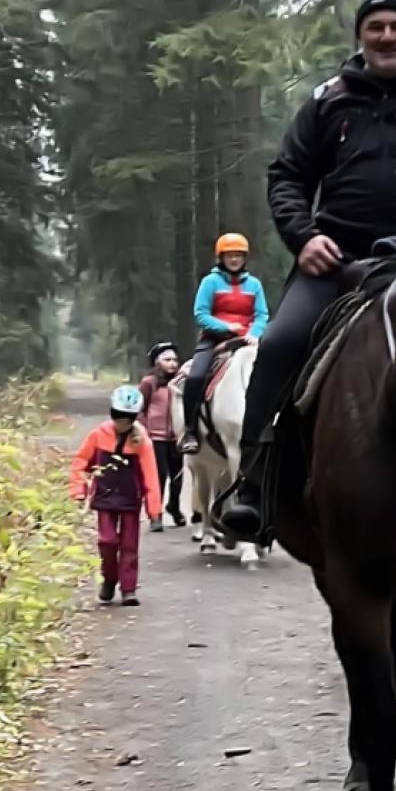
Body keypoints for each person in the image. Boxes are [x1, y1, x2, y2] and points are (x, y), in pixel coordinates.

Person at [216, 0, 396, 538]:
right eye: (376, 27)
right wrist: (305, 237)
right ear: (361, 37)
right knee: (279, 344)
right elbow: (287, 176)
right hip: (334, 263)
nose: (387, 36)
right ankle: (254, 483)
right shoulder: (328, 101)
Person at [71, 385, 166, 607]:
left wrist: (154, 509)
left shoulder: (141, 441)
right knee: (107, 541)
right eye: (118, 415)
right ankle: (109, 578)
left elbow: (151, 475)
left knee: (129, 545)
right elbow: (80, 462)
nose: (121, 421)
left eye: (127, 417)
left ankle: (128, 589)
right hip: (105, 497)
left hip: (130, 499)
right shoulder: (98, 434)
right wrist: (78, 490)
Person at [179, 234, 270, 455]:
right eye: (230, 255)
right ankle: (190, 430)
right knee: (196, 376)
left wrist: (254, 333)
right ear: (221, 257)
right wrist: (227, 327)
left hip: (248, 340)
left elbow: (261, 314)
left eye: (238, 255)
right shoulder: (210, 282)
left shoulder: (254, 284)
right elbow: (201, 314)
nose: (234, 260)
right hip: (215, 339)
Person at [138, 342, 187, 530]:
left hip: (177, 437)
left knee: (177, 477)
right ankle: (155, 514)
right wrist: (144, 431)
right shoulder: (149, 382)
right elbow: (140, 409)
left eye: (175, 360)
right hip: (155, 438)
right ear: (157, 362)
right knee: (158, 477)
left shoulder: (180, 382)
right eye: (167, 360)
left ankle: (174, 507)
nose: (172, 363)